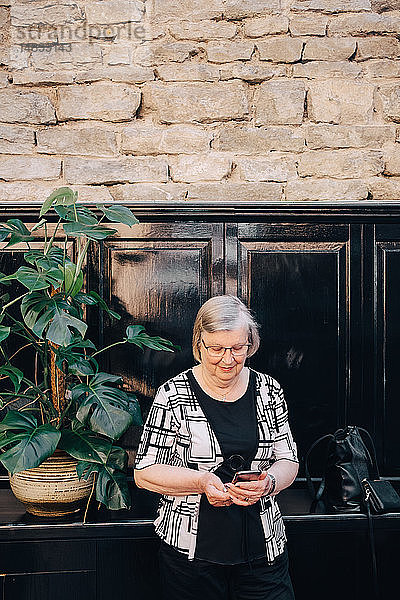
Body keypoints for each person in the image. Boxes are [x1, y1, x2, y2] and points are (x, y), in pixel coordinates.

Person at [134, 295, 299, 600]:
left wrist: (269, 483)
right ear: (200, 344)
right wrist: (202, 482)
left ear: (250, 343)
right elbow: (145, 472)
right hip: (190, 556)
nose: (228, 359)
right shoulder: (173, 394)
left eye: (238, 348)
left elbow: (288, 460)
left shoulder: (268, 390)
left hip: (263, 549)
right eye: (217, 349)